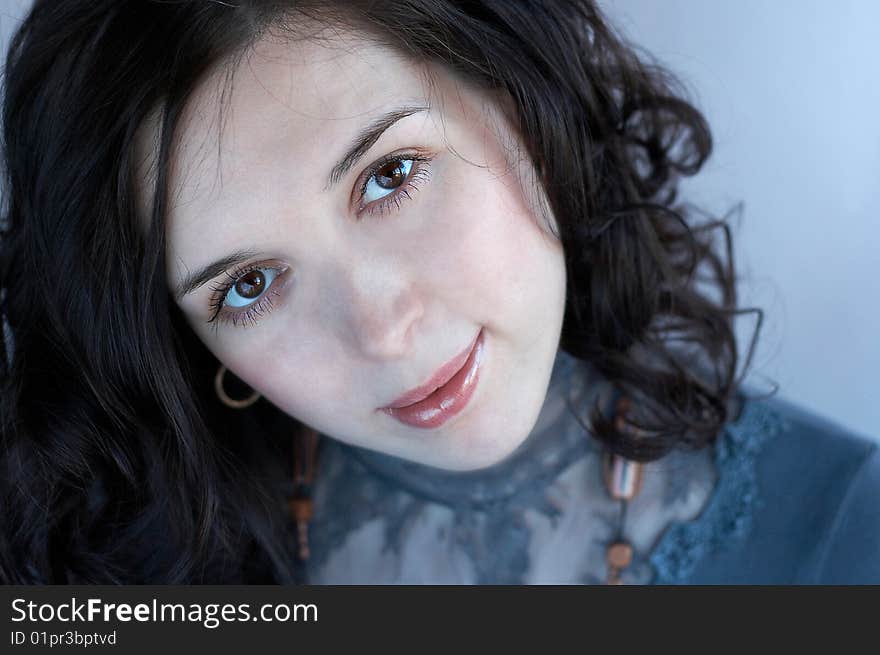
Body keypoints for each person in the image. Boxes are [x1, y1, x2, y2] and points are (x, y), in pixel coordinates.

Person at [0, 0, 877, 585]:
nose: (382, 331)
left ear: (521, 103)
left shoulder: (846, 527)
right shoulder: (122, 573)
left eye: (392, 175)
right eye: (250, 284)